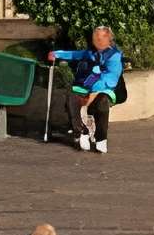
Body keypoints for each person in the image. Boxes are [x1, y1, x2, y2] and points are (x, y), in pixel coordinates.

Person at [47, 22, 124, 153]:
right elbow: (75, 54)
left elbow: (110, 79)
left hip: (104, 89)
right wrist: (57, 54)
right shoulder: (91, 52)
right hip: (86, 86)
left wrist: (92, 94)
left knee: (102, 103)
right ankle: (82, 131)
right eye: (95, 38)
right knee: (71, 97)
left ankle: (101, 138)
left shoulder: (115, 56)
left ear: (109, 39)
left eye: (101, 38)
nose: (97, 40)